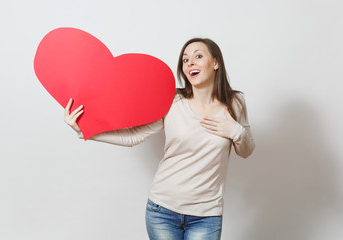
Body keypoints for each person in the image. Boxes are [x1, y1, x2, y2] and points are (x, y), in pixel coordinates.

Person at [64, 38, 255, 240]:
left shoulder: (235, 103)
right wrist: (85, 129)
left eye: (198, 56)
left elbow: (245, 151)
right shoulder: (172, 101)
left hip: (206, 215)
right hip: (162, 211)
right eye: (185, 60)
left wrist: (235, 130)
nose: (190, 63)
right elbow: (133, 136)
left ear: (216, 63)